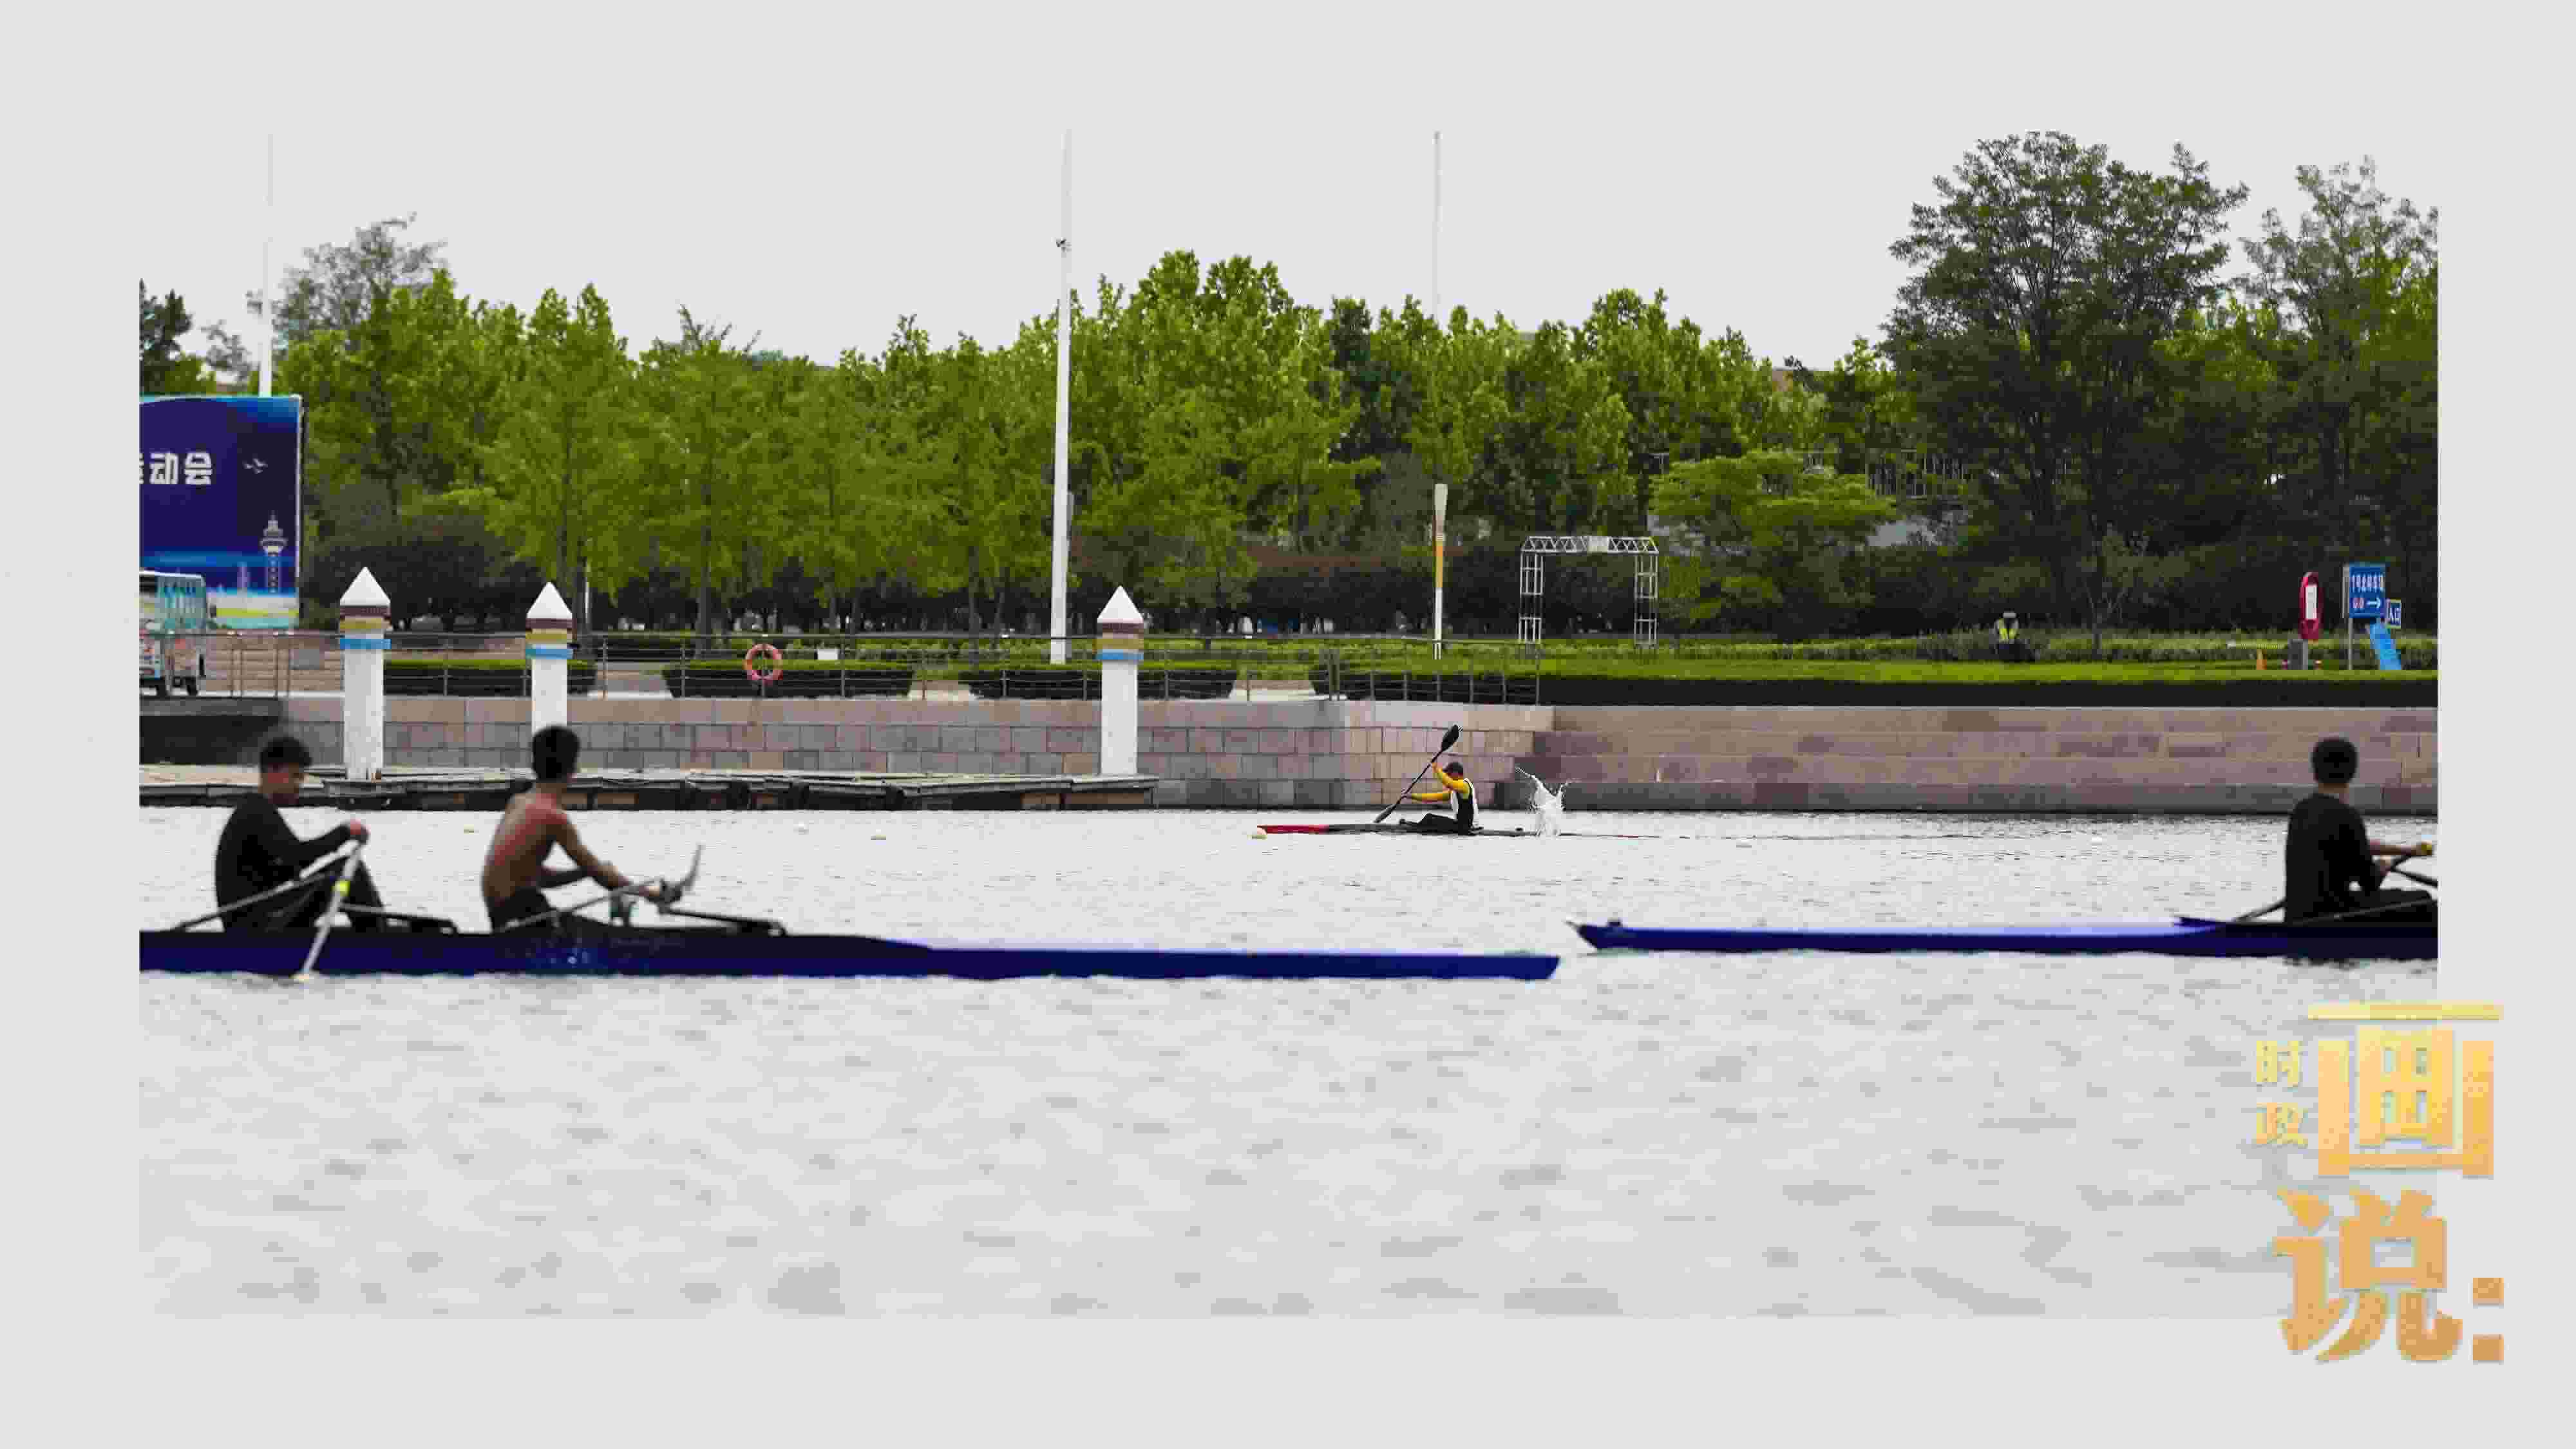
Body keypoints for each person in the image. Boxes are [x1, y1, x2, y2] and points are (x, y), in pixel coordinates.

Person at [481, 724, 667, 931]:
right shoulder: (553, 816)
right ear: (572, 769)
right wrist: (653, 895)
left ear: (534, 765)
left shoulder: (517, 802)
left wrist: (584, 872)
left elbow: (536, 877)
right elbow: (600, 874)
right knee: (602, 937)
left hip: (504, 914)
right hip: (521, 914)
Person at [213, 734, 384, 931]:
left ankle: (373, 930)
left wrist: (297, 874)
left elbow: (285, 867)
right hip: (258, 928)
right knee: (348, 872)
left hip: (261, 916)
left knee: (343, 879)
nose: (299, 785)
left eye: (301, 777)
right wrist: (345, 832)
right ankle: (380, 937)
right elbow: (298, 856)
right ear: (270, 772)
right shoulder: (256, 811)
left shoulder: (255, 809)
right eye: (294, 776)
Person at [2284, 736, 2434, 923]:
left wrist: (2408, 850)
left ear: (2315, 771)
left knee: (2403, 898)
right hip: (2332, 916)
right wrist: (2383, 867)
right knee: (2423, 900)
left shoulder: (2301, 811)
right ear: (2352, 772)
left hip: (2297, 913)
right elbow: (2370, 883)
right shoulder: (2347, 816)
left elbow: (2350, 845)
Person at [1405, 759, 1479, 835]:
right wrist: (1412, 796)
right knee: (1429, 817)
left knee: (1431, 819)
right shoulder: (1455, 790)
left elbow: (1449, 783)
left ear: (1455, 773)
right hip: (1461, 826)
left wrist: (1436, 768)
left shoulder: (1464, 785)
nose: (1447, 776)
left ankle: (1413, 828)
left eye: (1448, 774)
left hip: (1468, 827)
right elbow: (1434, 797)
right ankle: (1414, 826)